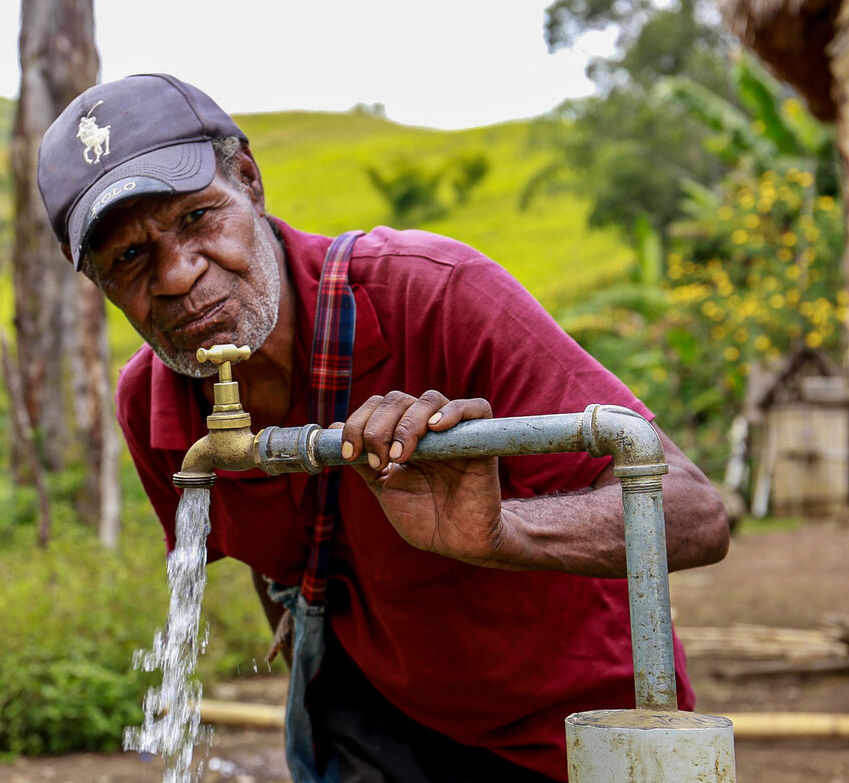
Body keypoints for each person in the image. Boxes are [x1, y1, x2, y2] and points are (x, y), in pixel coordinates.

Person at [36, 73, 730, 783]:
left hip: (573, 730)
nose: (179, 276)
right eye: (129, 258)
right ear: (98, 285)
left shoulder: (433, 295)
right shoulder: (158, 408)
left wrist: (503, 533)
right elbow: (265, 555)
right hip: (380, 724)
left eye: (197, 219)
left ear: (249, 180)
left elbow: (696, 515)